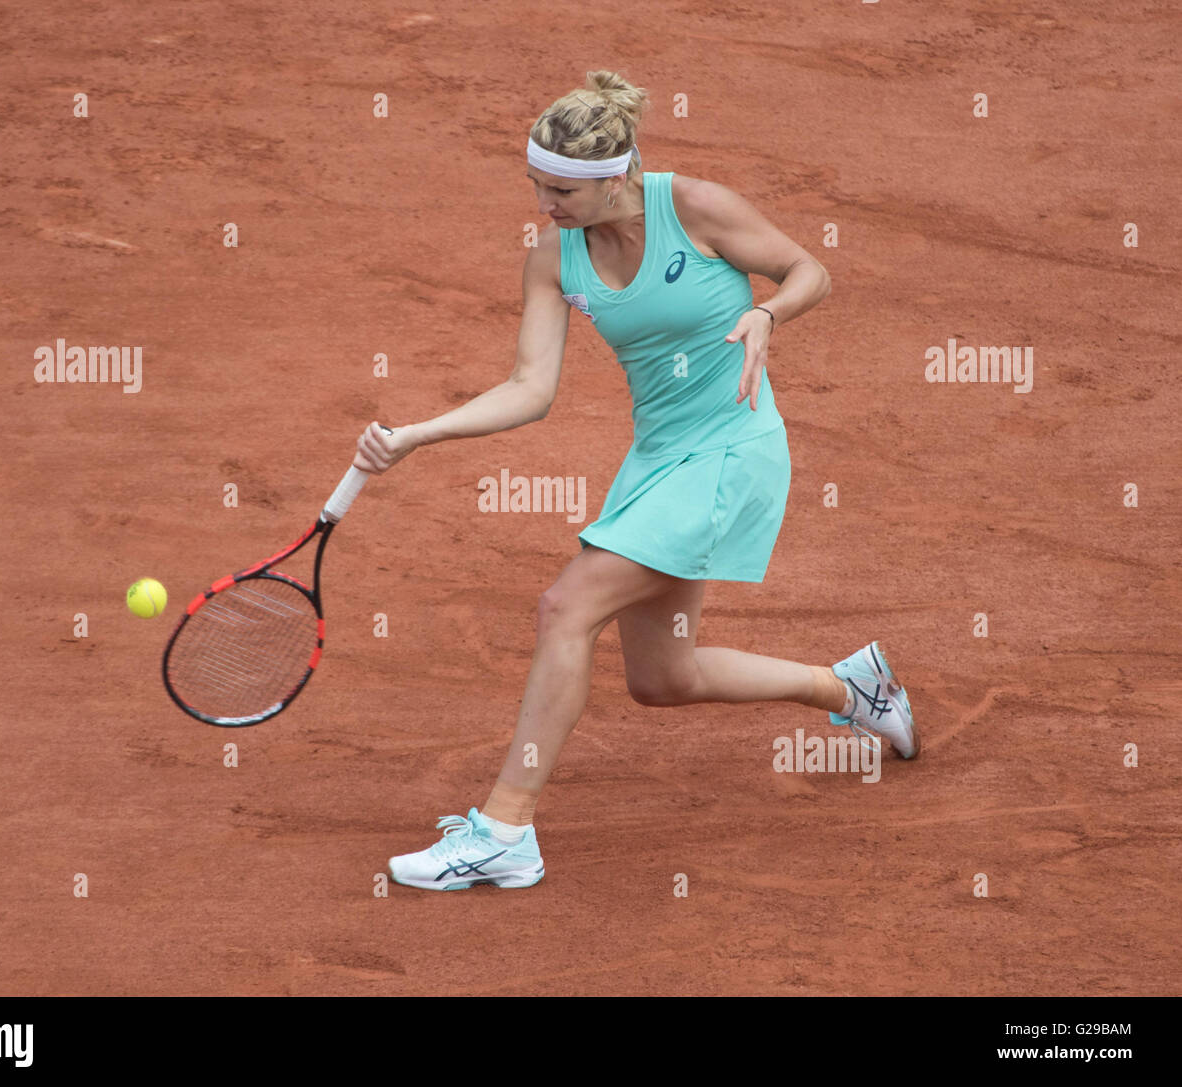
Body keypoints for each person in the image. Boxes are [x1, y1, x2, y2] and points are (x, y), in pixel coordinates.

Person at [352, 70, 919, 891]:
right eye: (537, 186)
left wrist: (767, 313)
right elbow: (529, 389)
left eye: (562, 191)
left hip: (733, 448)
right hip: (656, 460)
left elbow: (809, 272)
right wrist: (417, 434)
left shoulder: (692, 207)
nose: (545, 206)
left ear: (616, 176)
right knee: (664, 678)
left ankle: (505, 828)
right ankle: (849, 686)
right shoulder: (554, 257)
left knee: (565, 607)